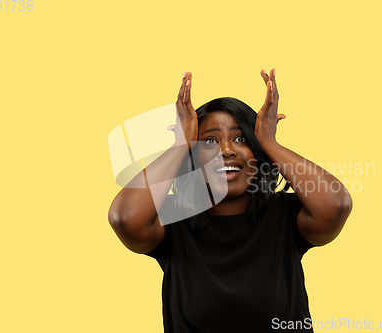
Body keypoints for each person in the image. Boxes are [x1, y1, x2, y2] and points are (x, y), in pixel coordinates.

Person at [108, 69, 353, 332]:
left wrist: (270, 142)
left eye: (241, 139)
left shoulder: (286, 214)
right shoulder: (172, 218)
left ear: (257, 152)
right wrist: (180, 145)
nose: (226, 150)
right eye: (210, 141)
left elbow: (336, 204)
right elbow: (126, 218)